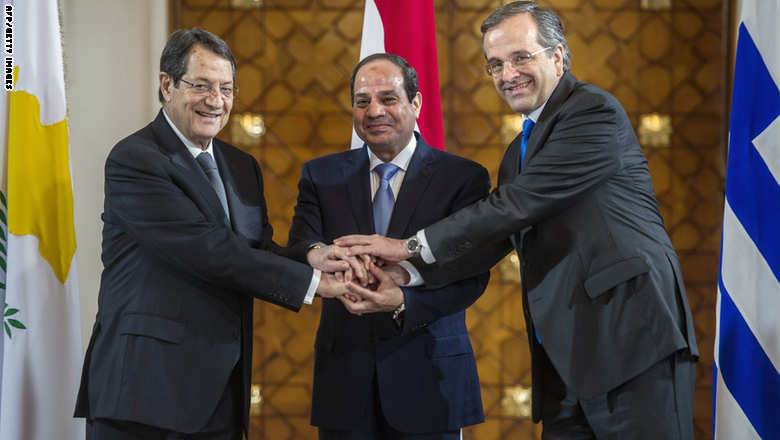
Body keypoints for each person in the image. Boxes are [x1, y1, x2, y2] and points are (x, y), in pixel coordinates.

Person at [335, 2, 700, 439]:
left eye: (520, 57)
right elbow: (494, 238)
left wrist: (407, 245)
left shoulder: (592, 113)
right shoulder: (518, 153)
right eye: (495, 64)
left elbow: (514, 206)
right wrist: (406, 273)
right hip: (568, 361)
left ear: (557, 56)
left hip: (631, 343)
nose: (507, 74)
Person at [74, 28, 350, 439]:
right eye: (201, 85)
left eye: (226, 88)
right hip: (145, 395)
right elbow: (207, 249)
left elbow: (253, 248)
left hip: (221, 392)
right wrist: (312, 283)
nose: (216, 100)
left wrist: (310, 257)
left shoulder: (241, 166)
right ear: (167, 85)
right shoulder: (135, 159)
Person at [288, 53, 491, 439]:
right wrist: (318, 254)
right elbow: (299, 244)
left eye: (388, 98)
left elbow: (472, 274)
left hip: (431, 379)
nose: (374, 111)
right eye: (362, 101)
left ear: (416, 103)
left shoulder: (462, 178)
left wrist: (403, 298)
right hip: (345, 383)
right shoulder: (320, 174)